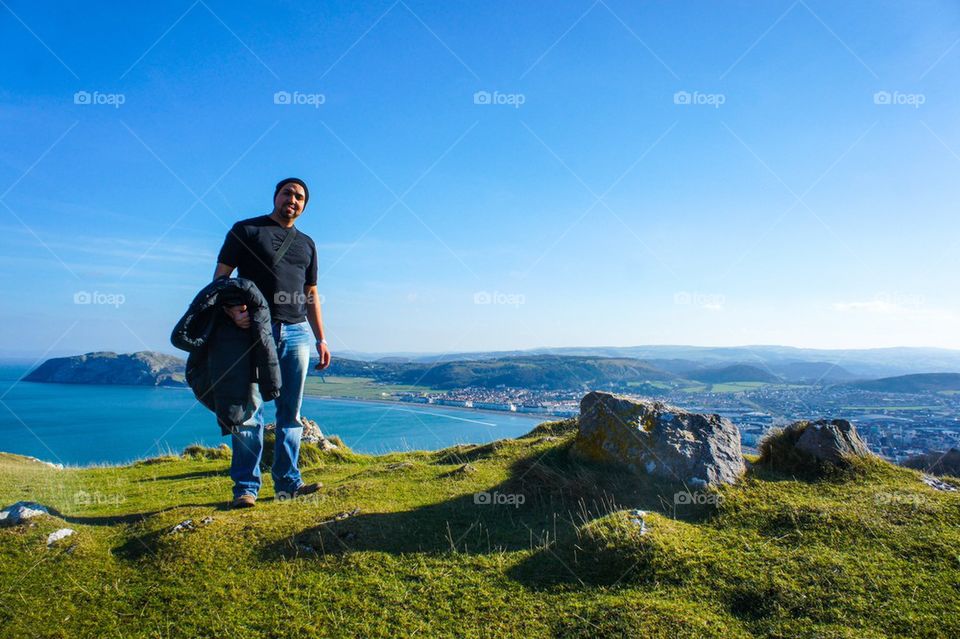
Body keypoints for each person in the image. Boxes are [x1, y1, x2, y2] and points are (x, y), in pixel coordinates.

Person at [213, 177, 332, 508]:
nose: (293, 200)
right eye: (287, 194)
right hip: (251, 331)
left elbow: (311, 294)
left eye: (300, 197)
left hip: (296, 333)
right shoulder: (246, 230)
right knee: (250, 411)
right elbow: (221, 278)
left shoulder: (307, 244)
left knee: (290, 414)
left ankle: (288, 484)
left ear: (304, 206)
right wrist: (233, 311)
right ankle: (246, 488)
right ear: (275, 196)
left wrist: (321, 337)